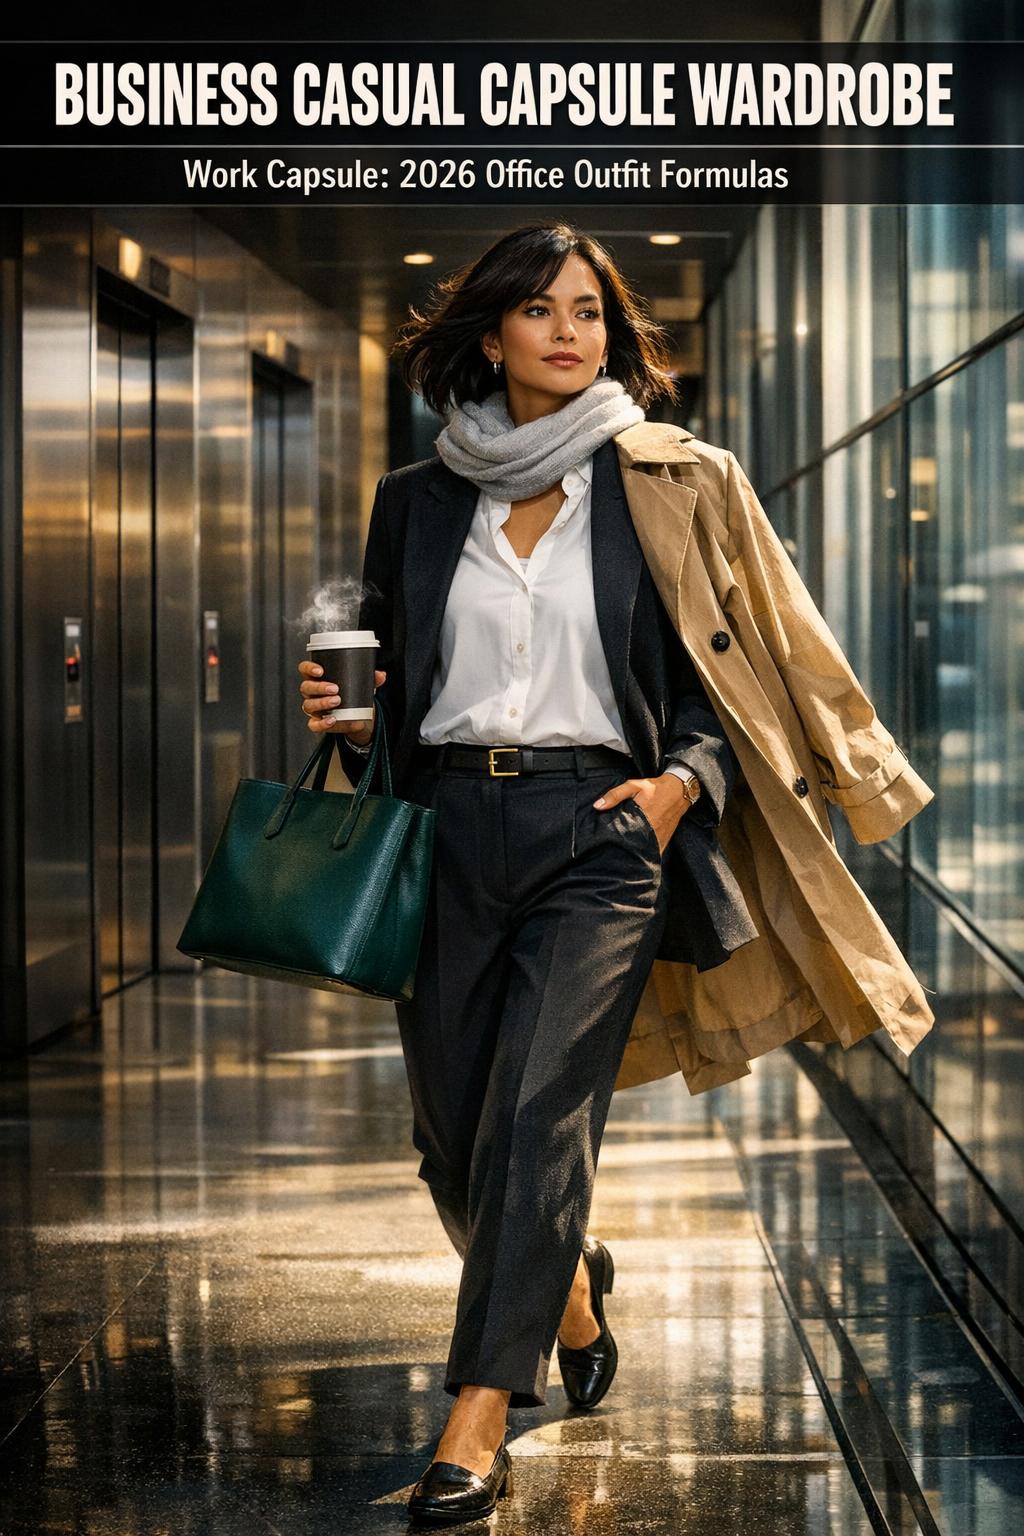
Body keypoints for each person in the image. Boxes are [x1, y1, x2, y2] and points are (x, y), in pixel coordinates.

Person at [295, 221, 932, 1526]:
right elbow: (400, 676)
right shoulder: (417, 501)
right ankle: (569, 1286)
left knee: (540, 1111)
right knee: (449, 1141)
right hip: (448, 825)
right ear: (492, 337)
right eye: (541, 310)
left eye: (589, 308)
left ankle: (478, 1413)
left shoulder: (663, 482)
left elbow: (723, 667)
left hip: (605, 835)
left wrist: (681, 782)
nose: (571, 329)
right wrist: (352, 720)